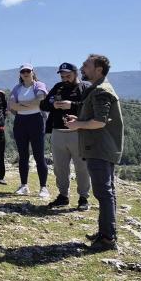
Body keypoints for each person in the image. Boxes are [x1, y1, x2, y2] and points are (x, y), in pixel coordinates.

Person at [65, 54, 125, 251]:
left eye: (86, 65)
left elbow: (99, 122)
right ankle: (107, 232)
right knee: (107, 192)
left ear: (98, 70)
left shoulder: (100, 91)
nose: (82, 68)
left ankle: (107, 239)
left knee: (103, 193)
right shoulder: (99, 88)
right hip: (102, 147)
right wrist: (79, 120)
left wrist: (77, 125)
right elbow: (98, 118)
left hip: (100, 148)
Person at [40, 62, 91, 208]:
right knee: (60, 167)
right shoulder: (58, 87)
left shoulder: (85, 87)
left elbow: (91, 107)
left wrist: (72, 105)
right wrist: (53, 105)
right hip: (58, 132)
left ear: (75, 73)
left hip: (79, 132)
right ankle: (63, 196)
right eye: (62, 76)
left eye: (68, 76)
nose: (65, 79)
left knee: (82, 167)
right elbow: (43, 105)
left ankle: (83, 198)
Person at [8, 64, 50, 198]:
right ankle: (24, 186)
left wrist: (21, 105)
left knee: (39, 155)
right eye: (23, 71)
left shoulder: (39, 85)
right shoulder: (17, 88)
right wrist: (30, 104)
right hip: (20, 122)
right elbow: (11, 105)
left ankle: (43, 187)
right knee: (23, 155)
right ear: (20, 74)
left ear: (32, 72)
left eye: (28, 71)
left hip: (36, 121)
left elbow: (40, 101)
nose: (25, 73)